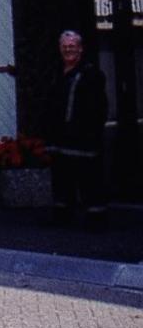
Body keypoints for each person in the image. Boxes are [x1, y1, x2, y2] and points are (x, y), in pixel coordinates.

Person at [44, 30, 109, 227]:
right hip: (59, 137)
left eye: (72, 46)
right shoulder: (55, 72)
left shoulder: (91, 73)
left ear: (80, 49)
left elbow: (99, 107)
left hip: (84, 138)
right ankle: (63, 217)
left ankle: (95, 220)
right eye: (64, 46)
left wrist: (91, 131)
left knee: (90, 180)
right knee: (62, 179)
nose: (68, 50)